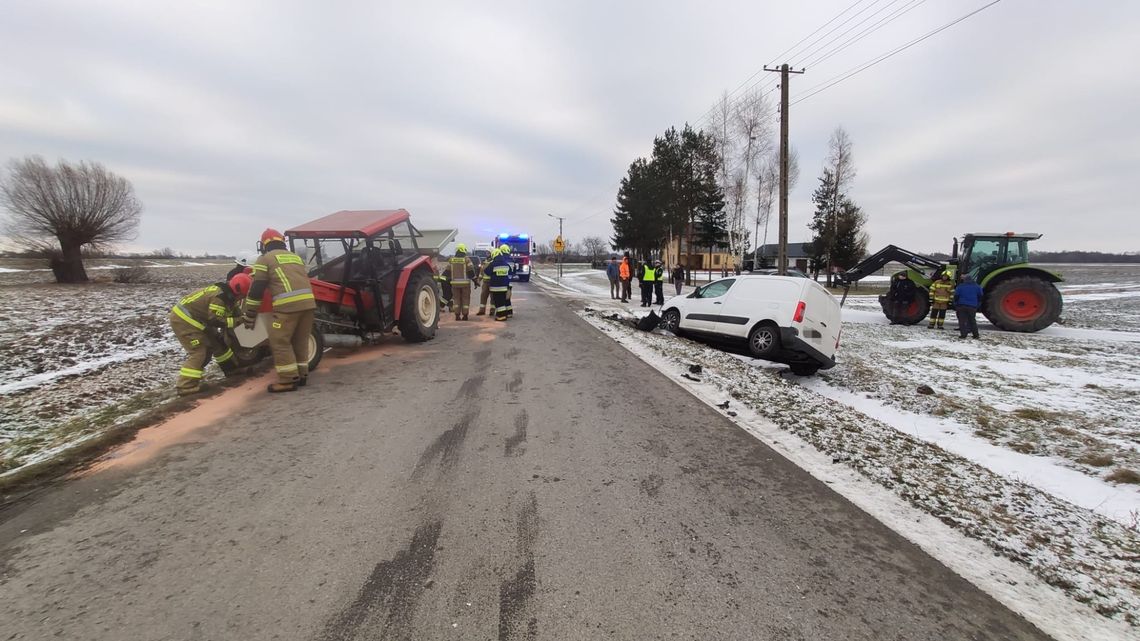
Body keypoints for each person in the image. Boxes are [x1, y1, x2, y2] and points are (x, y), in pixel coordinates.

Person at [243, 228, 317, 393]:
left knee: (280, 342)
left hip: (287, 307)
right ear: (282, 242)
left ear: (264, 244)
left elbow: (257, 289)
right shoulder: (295, 257)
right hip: (308, 304)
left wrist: (250, 314)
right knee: (300, 341)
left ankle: (288, 380)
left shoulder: (265, 259)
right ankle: (302, 375)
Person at [169, 273, 250, 396]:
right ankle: (185, 386)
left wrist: (243, 318)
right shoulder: (220, 298)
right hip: (184, 320)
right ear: (238, 291)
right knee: (201, 351)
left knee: (218, 343)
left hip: (198, 318)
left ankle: (231, 370)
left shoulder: (229, 294)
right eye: (243, 295)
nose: (243, 298)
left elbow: (234, 312)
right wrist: (239, 321)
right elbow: (216, 320)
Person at [448, 244, 477, 320]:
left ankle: (457, 315)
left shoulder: (451, 260)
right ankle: (465, 315)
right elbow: (471, 272)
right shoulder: (467, 260)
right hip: (465, 284)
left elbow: (447, 272)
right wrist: (475, 281)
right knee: (465, 299)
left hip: (454, 284)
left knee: (456, 299)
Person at [485, 246, 512, 321]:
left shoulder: (493, 264)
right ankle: (504, 314)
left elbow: (487, 272)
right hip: (504, 287)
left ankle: (501, 316)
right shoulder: (506, 264)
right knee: (502, 302)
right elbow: (510, 272)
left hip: (496, 287)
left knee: (498, 303)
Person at [954, 274, 984, 339]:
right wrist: (977, 304)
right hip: (972, 306)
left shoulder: (961, 286)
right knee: (972, 320)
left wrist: (956, 304)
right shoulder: (977, 287)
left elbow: (956, 296)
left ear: (965, 280)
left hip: (962, 305)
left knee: (962, 321)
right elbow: (980, 296)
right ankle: (976, 335)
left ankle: (963, 335)